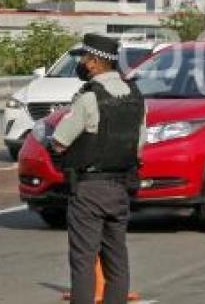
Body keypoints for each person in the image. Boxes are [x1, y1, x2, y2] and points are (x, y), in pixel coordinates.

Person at [51, 34, 146, 304]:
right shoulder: (136, 97)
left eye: (84, 58)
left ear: (94, 62)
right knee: (117, 260)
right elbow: (139, 146)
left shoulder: (89, 98)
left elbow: (59, 141)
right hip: (121, 188)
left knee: (83, 261)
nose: (81, 63)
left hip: (89, 188)